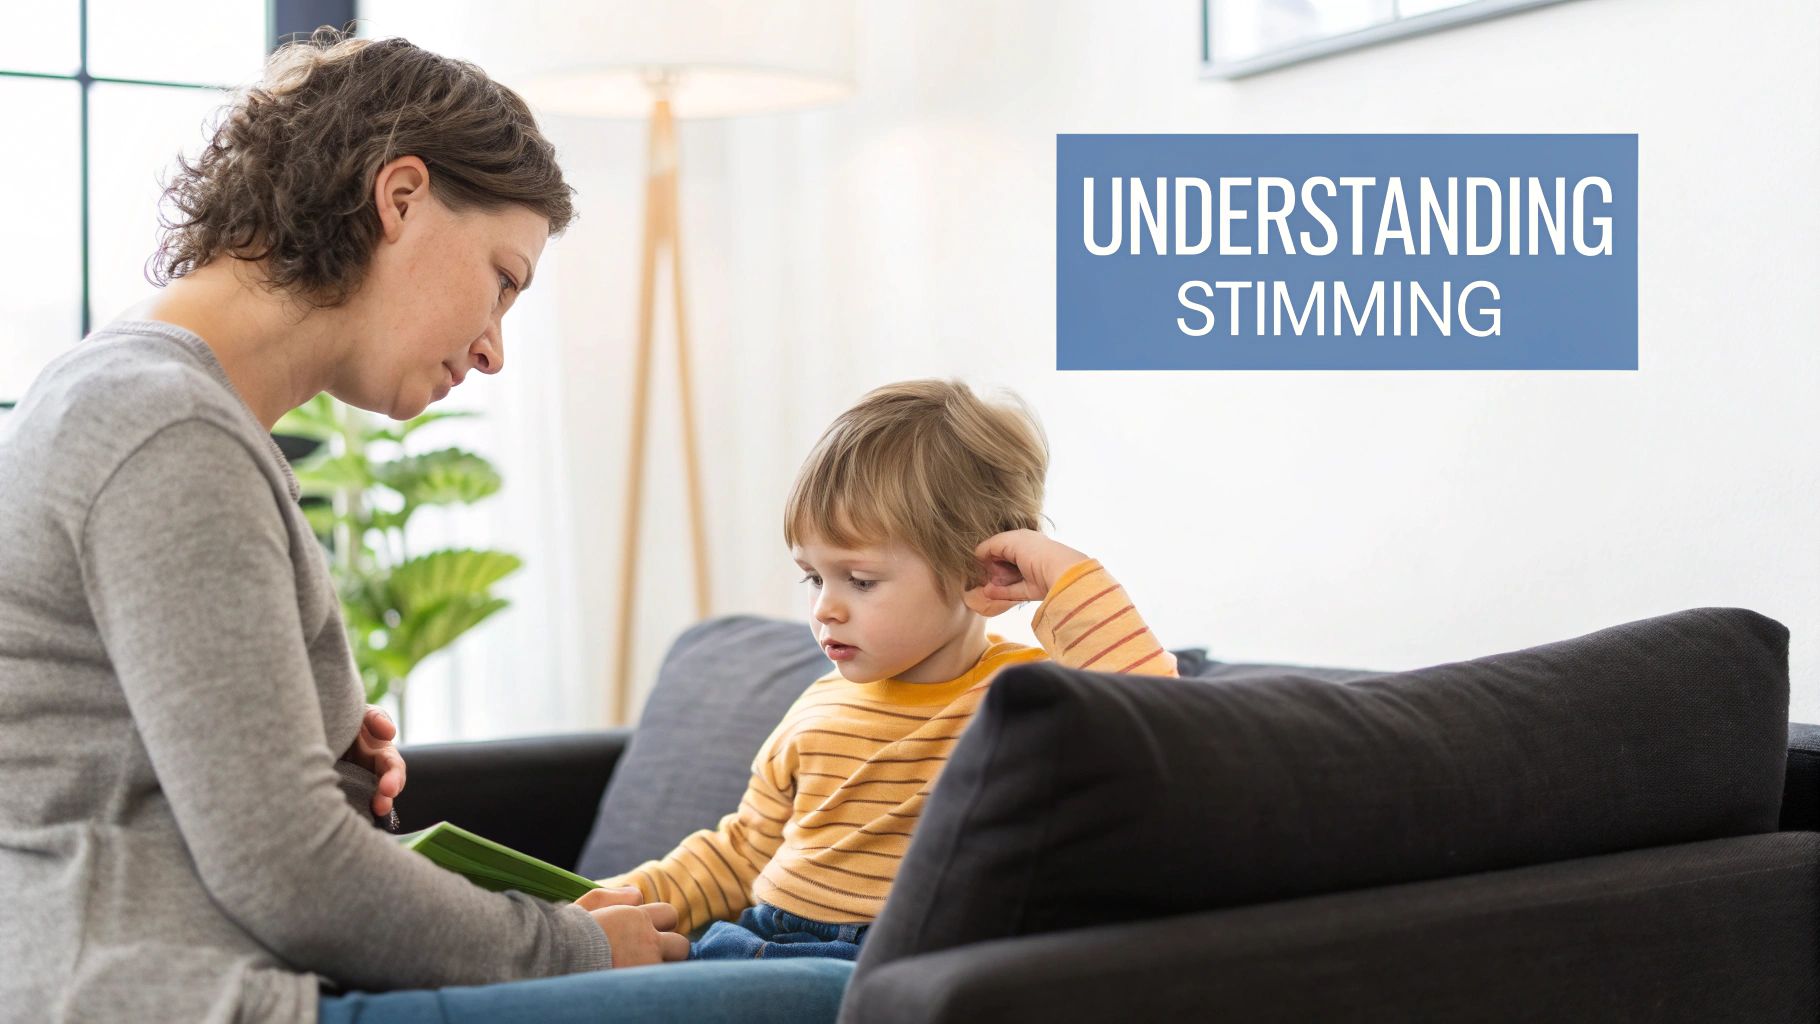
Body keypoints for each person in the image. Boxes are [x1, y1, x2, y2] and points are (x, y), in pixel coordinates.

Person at [0, 27, 851, 1024]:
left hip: (152, 968)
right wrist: (570, 945)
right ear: (399, 196)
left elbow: (97, 760)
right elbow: (287, 872)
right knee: (840, 998)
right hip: (175, 995)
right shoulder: (169, 427)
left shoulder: (124, 395)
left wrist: (312, 751)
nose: (493, 349)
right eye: (502, 277)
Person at [595, 379, 1177, 960]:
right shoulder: (818, 704)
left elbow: (1163, 727)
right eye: (813, 577)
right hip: (757, 941)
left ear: (976, 574)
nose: (825, 606)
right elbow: (743, 850)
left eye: (861, 580)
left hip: (884, 966)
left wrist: (1068, 578)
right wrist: (620, 897)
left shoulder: (1024, 698)